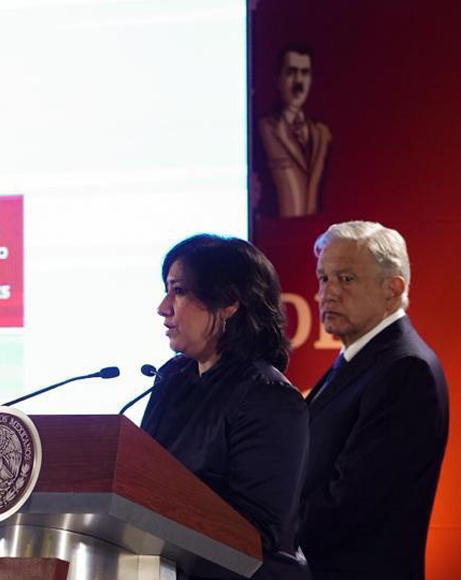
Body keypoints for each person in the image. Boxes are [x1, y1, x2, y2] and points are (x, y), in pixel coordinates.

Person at [141, 234, 310, 580]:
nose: (163, 307)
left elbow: (256, 533)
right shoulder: (172, 378)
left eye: (179, 291)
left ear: (229, 302)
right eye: (166, 290)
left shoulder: (268, 396)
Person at [299, 221, 449, 580]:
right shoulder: (361, 358)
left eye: (346, 279)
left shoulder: (405, 370)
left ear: (392, 289)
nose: (328, 292)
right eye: (323, 278)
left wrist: (262, 532)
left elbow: (349, 505)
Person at [258, 43, 331, 217]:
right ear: (278, 79)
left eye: (305, 73)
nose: (299, 81)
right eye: (291, 72)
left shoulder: (322, 134)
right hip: (276, 229)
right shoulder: (264, 129)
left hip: (314, 227)